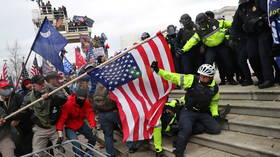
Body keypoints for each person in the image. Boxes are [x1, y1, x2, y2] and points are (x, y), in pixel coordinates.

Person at [151, 62, 221, 157]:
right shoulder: (192, 80)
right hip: (188, 111)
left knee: (216, 129)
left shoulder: (215, 88)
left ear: (211, 77)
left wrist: (215, 114)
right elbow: (173, 77)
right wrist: (159, 71)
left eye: (205, 77)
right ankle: (178, 151)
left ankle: (183, 128)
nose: (202, 78)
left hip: (202, 113)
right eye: (201, 75)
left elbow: (214, 103)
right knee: (186, 129)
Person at [180, 13, 238, 85]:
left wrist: (232, 34)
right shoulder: (199, 30)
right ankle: (207, 81)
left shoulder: (216, 23)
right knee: (207, 64)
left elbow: (232, 24)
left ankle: (230, 79)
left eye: (203, 22)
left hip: (222, 46)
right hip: (211, 49)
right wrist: (184, 49)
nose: (202, 24)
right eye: (200, 23)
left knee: (228, 63)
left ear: (207, 20)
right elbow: (192, 41)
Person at [231, 0, 276, 89]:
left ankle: (269, 79)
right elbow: (235, 25)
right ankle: (261, 78)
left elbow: (270, 13)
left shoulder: (259, 2)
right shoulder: (241, 8)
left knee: (264, 54)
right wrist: (232, 38)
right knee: (252, 55)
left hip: (263, 31)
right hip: (250, 35)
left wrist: (260, 19)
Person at [23, 75, 67, 156]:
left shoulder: (53, 90)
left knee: (59, 153)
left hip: (55, 128)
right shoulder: (29, 97)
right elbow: (22, 110)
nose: (42, 85)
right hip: (40, 129)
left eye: (43, 82)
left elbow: (64, 99)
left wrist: (51, 96)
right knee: (37, 154)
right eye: (39, 84)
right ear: (33, 86)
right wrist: (9, 118)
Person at [56, 88, 97, 156]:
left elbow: (89, 113)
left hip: (80, 123)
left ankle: (87, 153)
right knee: (76, 145)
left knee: (93, 137)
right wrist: (60, 133)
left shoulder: (86, 102)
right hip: (69, 126)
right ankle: (78, 154)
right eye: (79, 99)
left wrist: (93, 125)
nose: (81, 101)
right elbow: (61, 119)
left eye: (82, 99)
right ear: (76, 96)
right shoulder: (68, 104)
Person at [93, 82, 119, 157]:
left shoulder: (97, 89)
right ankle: (131, 146)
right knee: (124, 127)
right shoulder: (111, 85)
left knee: (107, 135)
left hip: (102, 115)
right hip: (113, 112)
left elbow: (94, 105)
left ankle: (111, 154)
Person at [0, 80, 23, 157]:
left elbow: (3, 114)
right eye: (4, 88)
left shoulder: (17, 97)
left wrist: (17, 117)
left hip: (6, 135)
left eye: (8, 87)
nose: (6, 89)